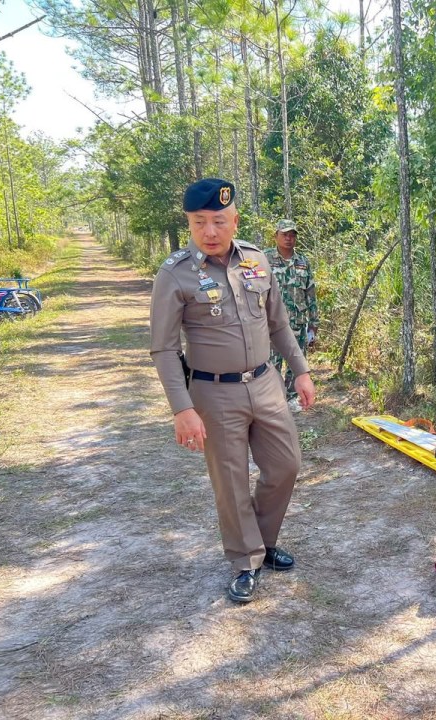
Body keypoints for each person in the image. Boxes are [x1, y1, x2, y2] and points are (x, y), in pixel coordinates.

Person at [149, 178, 316, 604]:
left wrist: (300, 371)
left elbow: (278, 323)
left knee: (286, 466)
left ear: (234, 220)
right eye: (199, 221)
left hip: (265, 383)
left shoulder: (257, 261)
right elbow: (165, 349)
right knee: (231, 480)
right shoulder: (175, 274)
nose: (209, 230)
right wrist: (181, 408)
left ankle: (262, 540)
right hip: (213, 392)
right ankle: (246, 560)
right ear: (189, 223)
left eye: (218, 221)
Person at [264, 219, 318, 413]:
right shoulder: (265, 259)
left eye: (292, 234)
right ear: (276, 235)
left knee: (297, 362)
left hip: (299, 321)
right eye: (284, 234)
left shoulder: (303, 262)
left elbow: (310, 293)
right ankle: (273, 399)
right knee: (272, 362)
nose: (289, 238)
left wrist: (314, 323)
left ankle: (293, 397)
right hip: (272, 324)